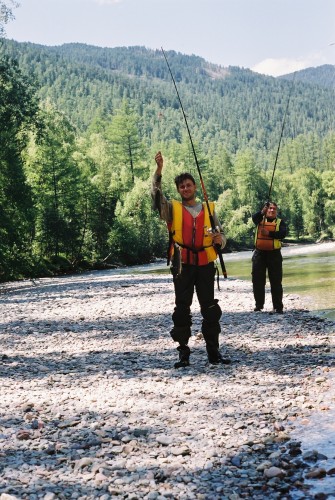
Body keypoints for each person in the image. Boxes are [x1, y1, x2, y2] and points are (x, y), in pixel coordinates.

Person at [151, 151, 230, 368]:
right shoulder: (172, 209)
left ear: (195, 187)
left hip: (205, 264)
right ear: (178, 190)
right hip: (182, 265)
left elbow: (222, 238)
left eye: (189, 185)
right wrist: (159, 171)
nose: (185, 189)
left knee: (211, 309)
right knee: (182, 309)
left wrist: (218, 239)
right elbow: (156, 197)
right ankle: (183, 354)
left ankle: (214, 353)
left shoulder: (208, 208)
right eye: (182, 186)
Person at [252, 201, 287, 314]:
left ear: (276, 211)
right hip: (259, 254)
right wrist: (262, 211)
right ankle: (259, 305)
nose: (272, 210)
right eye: (270, 208)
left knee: (276, 281)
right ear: (266, 210)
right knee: (258, 281)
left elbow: (282, 234)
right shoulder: (259, 220)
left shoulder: (281, 222)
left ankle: (278, 307)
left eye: (274, 209)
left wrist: (269, 234)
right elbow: (254, 218)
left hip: (274, 255)